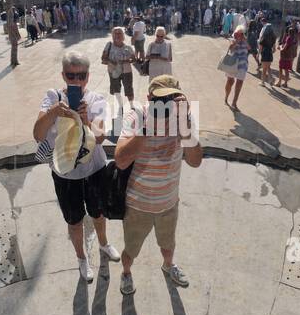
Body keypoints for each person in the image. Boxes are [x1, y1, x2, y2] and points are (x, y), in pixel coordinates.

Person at [33, 50, 122, 283]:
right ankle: (81, 258)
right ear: (63, 75)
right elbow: (37, 134)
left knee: (99, 213)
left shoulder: (96, 100)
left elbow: (100, 137)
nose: (76, 81)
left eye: (81, 76)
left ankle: (103, 244)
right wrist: (55, 111)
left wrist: (85, 120)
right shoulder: (52, 98)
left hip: (94, 169)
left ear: (88, 77)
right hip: (64, 173)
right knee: (74, 221)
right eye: (71, 76)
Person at [114, 75, 203, 295]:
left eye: (171, 98)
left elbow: (195, 161)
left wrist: (185, 128)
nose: (165, 104)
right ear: (149, 98)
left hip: (168, 203)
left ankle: (168, 265)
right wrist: (147, 128)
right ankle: (126, 273)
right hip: (138, 205)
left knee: (168, 245)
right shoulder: (137, 114)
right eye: (160, 100)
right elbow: (120, 159)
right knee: (131, 249)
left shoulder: (185, 119)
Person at [223, 26, 251, 111]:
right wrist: (236, 42)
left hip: (242, 65)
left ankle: (234, 103)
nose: (240, 35)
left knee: (239, 83)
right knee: (230, 82)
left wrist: (244, 40)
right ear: (235, 33)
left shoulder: (245, 40)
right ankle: (226, 96)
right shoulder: (233, 40)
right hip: (233, 64)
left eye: (241, 33)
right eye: (238, 33)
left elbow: (249, 48)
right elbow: (230, 49)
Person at [276, 21, 299, 88]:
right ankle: (285, 83)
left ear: (288, 32)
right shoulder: (294, 39)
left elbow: (284, 48)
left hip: (284, 56)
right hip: (289, 56)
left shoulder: (288, 38)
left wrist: (280, 48)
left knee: (280, 69)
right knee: (286, 70)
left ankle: (279, 82)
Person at [257, 17, 277, 83]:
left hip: (264, 52)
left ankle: (262, 82)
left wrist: (258, 53)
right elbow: (274, 49)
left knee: (264, 69)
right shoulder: (273, 37)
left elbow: (260, 46)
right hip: (270, 53)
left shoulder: (264, 38)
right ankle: (270, 79)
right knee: (268, 67)